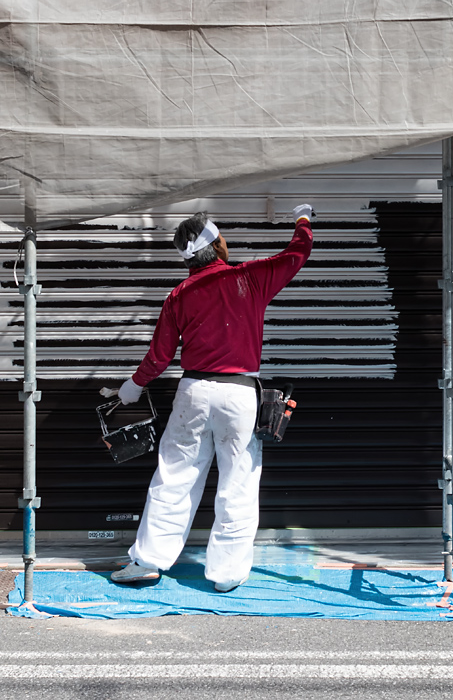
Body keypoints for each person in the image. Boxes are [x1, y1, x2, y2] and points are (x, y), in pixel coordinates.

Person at [109, 204, 314, 591]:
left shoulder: (179, 295)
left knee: (174, 477)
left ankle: (148, 561)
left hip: (194, 393)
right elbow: (297, 253)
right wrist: (302, 220)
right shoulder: (250, 278)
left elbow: (159, 355)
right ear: (218, 244)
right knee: (237, 483)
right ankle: (226, 574)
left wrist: (132, 386)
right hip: (239, 394)